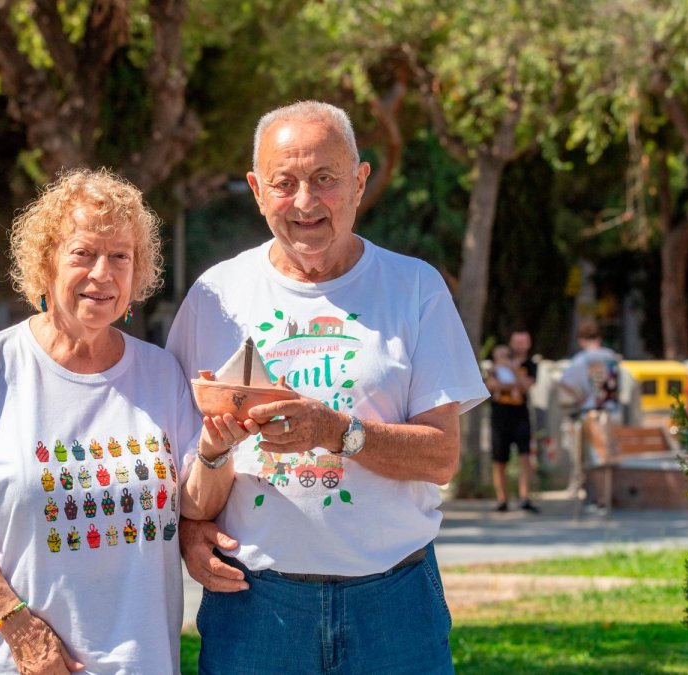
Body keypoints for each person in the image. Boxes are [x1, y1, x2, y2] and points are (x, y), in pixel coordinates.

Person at [167, 101, 489, 674]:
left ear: (360, 181)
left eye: (325, 179)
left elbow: (442, 456)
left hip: (394, 601)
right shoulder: (214, 296)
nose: (306, 202)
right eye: (283, 183)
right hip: (256, 606)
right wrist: (191, 531)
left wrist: (338, 432)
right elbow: (183, 452)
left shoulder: (415, 288)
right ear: (256, 190)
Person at [0, 169, 250, 674]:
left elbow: (194, 504)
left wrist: (216, 449)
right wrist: (21, 632)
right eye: (83, 253)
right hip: (28, 663)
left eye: (120, 256)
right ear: (46, 262)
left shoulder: (159, 371)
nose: (102, 273)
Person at [557, 320, 621, 506]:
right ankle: (610, 497)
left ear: (582, 340)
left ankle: (600, 500)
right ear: (599, 338)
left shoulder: (582, 359)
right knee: (610, 458)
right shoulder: (612, 357)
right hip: (613, 412)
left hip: (593, 413)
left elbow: (564, 382)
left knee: (595, 459)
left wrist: (580, 397)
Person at [485, 332, 538, 513]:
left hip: (520, 416)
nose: (520, 345)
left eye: (524, 342)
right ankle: (502, 499)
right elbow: (491, 385)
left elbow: (526, 386)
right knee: (499, 459)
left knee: (525, 457)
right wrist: (513, 384)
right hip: (499, 417)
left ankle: (525, 498)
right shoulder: (495, 365)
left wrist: (513, 371)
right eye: (517, 341)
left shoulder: (530, 365)